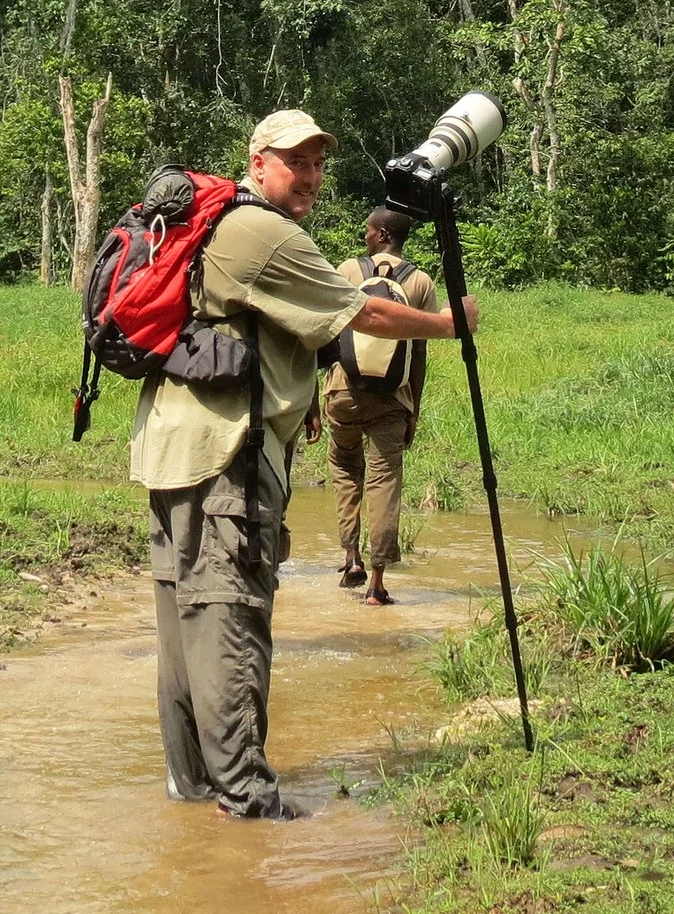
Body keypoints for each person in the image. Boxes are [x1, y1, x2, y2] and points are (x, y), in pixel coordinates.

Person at [128, 110, 477, 820]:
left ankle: (193, 791)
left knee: (184, 626)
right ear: (258, 162)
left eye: (319, 161)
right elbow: (365, 316)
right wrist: (448, 324)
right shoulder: (263, 231)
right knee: (231, 618)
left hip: (173, 447)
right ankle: (249, 805)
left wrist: (304, 391)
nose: (312, 174)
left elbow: (269, 327)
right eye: (296, 161)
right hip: (227, 456)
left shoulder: (220, 222)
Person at [323, 206, 441, 606]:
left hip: (342, 392)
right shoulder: (421, 282)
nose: (365, 236)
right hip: (393, 399)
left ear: (380, 234)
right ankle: (376, 582)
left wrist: (312, 396)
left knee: (344, 468)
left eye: (368, 231)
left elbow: (325, 333)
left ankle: (350, 555)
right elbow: (420, 350)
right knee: (385, 480)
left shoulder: (347, 271)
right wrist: (415, 408)